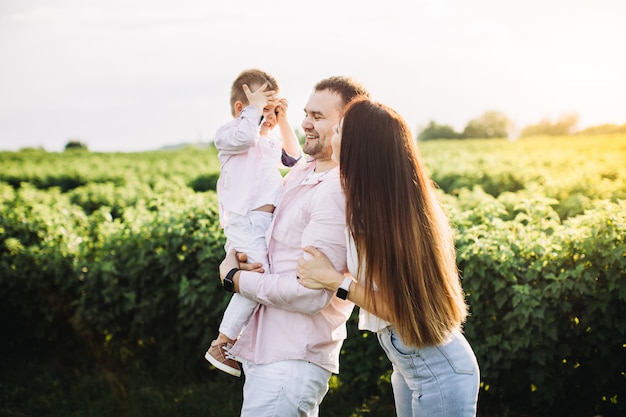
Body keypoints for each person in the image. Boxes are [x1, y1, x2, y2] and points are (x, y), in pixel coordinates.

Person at [295, 98, 480, 416]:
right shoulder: (389, 205)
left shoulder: (380, 218)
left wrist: (333, 280)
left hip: (438, 372)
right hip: (415, 367)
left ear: (357, 147)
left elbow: (399, 307)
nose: (332, 138)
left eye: (338, 130)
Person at [217, 76, 370, 416]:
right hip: (268, 350)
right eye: (305, 114)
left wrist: (235, 279)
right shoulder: (303, 170)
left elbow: (311, 292)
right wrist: (238, 255)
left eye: (317, 116)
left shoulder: (336, 189)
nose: (305, 123)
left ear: (348, 125)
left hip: (292, 357)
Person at [205, 68, 302, 377]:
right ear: (241, 109)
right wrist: (254, 110)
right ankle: (223, 342)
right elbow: (247, 134)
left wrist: (284, 119)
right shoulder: (230, 135)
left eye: (275, 109)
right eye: (265, 109)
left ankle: (239, 341)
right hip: (244, 221)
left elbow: (294, 158)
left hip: (265, 224)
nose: (269, 116)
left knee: (258, 276)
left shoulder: (270, 141)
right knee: (260, 276)